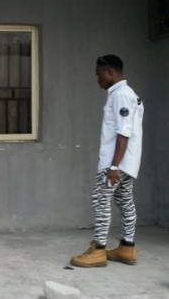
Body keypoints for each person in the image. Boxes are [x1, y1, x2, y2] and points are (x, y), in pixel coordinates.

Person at [70, 54, 144, 267]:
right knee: (125, 202)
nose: (97, 78)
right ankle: (127, 248)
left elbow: (124, 132)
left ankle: (99, 250)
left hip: (115, 164)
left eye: (99, 74)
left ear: (110, 72)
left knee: (100, 201)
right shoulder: (127, 94)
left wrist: (113, 166)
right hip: (126, 163)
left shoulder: (121, 95)